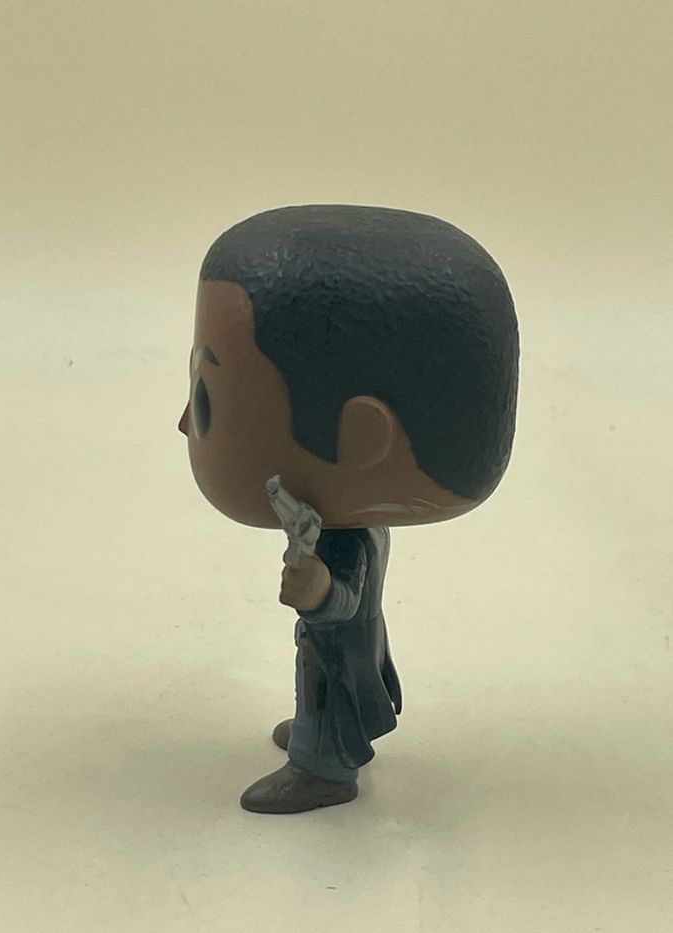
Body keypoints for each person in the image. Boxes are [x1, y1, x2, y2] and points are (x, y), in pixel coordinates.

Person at [178, 204, 519, 813]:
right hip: (341, 644)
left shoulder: (346, 541)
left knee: (325, 688)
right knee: (319, 684)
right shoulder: (358, 527)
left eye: (206, 399)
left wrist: (317, 591)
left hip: (340, 651)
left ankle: (323, 769)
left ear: (357, 440)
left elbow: (345, 601)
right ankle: (322, 740)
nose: (185, 423)